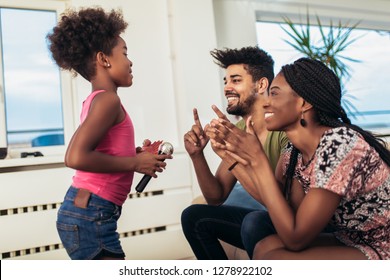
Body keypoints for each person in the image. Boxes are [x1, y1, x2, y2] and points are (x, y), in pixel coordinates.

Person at [208, 57, 390, 259]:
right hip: (353, 238)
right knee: (265, 247)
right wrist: (231, 156)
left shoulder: (339, 143)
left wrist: (258, 159)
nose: (266, 102)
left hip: (384, 244)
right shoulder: (293, 151)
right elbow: (285, 209)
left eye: (274, 94)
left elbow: (295, 239)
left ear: (304, 103)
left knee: (273, 259)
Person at [47, 7, 172, 260]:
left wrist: (135, 154)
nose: (130, 61)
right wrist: (134, 162)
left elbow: (98, 150)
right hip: (91, 212)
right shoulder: (108, 101)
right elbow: (75, 157)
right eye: (125, 53)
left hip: (87, 209)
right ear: (104, 59)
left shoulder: (98, 100)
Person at [181, 46, 288, 259]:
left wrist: (230, 157)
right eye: (226, 81)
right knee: (194, 216)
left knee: (253, 222)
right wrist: (196, 155)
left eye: (236, 80)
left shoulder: (282, 129)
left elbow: (280, 201)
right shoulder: (238, 130)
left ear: (261, 84)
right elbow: (216, 197)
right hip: (265, 217)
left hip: (286, 218)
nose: (227, 87)